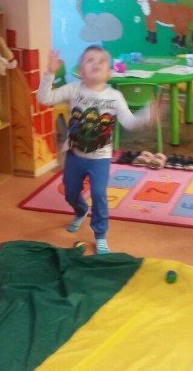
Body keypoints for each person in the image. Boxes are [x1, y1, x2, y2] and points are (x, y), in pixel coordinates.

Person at [37, 45, 153, 254]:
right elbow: (44, 98)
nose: (96, 64)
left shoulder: (114, 96)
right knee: (70, 192)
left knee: (99, 195)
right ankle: (81, 210)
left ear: (109, 72)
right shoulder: (74, 89)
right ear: (80, 71)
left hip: (100, 158)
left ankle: (100, 234)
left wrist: (147, 115)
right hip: (75, 154)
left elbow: (129, 122)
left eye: (101, 61)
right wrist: (49, 73)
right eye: (89, 60)